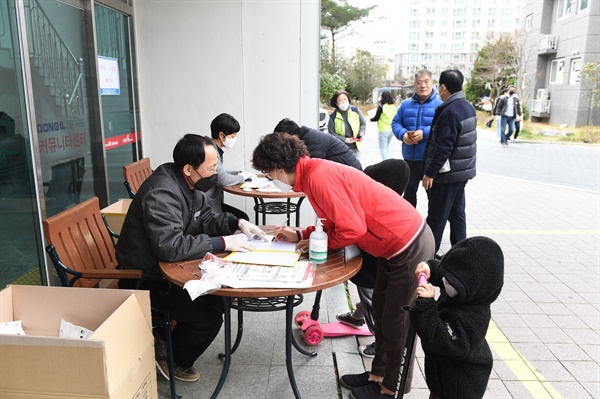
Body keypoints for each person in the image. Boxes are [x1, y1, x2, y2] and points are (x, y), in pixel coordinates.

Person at [251, 133, 435, 399]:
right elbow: (335, 221)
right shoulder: (312, 173)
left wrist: (321, 245)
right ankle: (377, 374)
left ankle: (390, 389)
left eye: (269, 174)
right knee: (383, 316)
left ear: (279, 168)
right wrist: (303, 235)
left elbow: (352, 228)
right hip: (391, 247)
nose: (271, 180)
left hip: (407, 245)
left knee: (398, 325)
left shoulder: (317, 177)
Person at [116, 134, 268, 382]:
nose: (214, 174)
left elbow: (206, 218)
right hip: (146, 279)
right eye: (209, 168)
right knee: (207, 315)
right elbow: (170, 246)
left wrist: (236, 223)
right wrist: (223, 242)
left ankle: (164, 341)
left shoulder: (187, 184)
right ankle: (174, 361)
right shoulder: (162, 193)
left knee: (217, 300)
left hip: (168, 268)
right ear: (189, 169)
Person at [411, 236, 504, 399]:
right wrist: (431, 269)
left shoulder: (472, 319)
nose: (445, 282)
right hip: (443, 379)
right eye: (446, 276)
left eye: (451, 281)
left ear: (474, 288)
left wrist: (426, 306)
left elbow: (441, 339)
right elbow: (449, 273)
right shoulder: (462, 291)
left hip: (457, 389)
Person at [335, 158, 410, 360]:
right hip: (380, 264)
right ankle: (357, 317)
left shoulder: (378, 212)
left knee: (373, 300)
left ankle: (382, 345)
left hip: (379, 266)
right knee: (370, 296)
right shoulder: (397, 204)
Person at [422, 69, 477, 254]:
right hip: (461, 173)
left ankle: (427, 257)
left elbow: (444, 147)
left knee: (437, 217)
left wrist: (430, 172)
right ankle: (461, 256)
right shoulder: (467, 107)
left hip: (447, 174)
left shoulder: (450, 111)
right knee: (457, 215)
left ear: (443, 87)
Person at [392, 70, 442, 207]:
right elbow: (396, 123)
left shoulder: (440, 105)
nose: (423, 86)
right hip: (410, 158)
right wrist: (403, 135)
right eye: (419, 82)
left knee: (433, 196)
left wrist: (424, 133)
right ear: (414, 85)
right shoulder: (406, 104)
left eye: (426, 82)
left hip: (429, 159)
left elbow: (442, 128)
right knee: (408, 194)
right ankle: (410, 225)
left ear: (432, 84)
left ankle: (432, 227)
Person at [205, 113, 252, 220]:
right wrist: (242, 177)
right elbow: (224, 179)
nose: (234, 139)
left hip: (213, 203)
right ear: (222, 135)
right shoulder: (209, 151)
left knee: (243, 217)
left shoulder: (211, 147)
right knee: (243, 218)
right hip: (208, 208)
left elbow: (220, 172)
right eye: (233, 136)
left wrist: (239, 173)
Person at [273, 118, 362, 170]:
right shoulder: (305, 137)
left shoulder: (312, 139)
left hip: (352, 173)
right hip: (344, 170)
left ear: (291, 135)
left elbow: (312, 167)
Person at [328, 90, 367, 161]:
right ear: (336, 103)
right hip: (340, 148)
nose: (343, 101)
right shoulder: (333, 117)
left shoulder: (356, 111)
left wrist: (362, 132)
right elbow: (331, 133)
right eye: (340, 100)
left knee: (357, 167)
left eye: (345, 99)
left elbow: (363, 123)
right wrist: (345, 140)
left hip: (355, 147)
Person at [370, 90, 397, 160]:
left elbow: (376, 118)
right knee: (386, 148)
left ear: (383, 97)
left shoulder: (381, 107)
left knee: (383, 149)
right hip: (391, 130)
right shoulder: (393, 107)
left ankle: (386, 164)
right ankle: (387, 161)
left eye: (381, 96)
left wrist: (371, 119)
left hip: (383, 130)